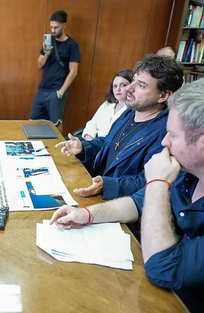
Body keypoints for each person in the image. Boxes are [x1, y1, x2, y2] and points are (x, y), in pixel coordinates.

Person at [50, 78, 204, 312]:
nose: (165, 142)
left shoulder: (175, 170)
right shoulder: (189, 171)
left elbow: (165, 268)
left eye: (172, 135)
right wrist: (87, 214)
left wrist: (157, 183)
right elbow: (137, 202)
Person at [55, 54, 183, 200]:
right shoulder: (130, 112)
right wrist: (83, 148)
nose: (129, 88)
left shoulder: (165, 134)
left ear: (164, 95)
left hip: (117, 204)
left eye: (141, 85)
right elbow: (109, 143)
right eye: (134, 80)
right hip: (95, 188)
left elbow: (149, 182)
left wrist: (108, 185)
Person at [30, 10, 81, 133]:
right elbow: (39, 65)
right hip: (42, 89)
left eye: (56, 27)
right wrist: (46, 54)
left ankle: (58, 150)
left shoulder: (72, 45)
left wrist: (61, 92)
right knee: (33, 122)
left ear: (64, 25)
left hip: (56, 91)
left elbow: (73, 71)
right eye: (51, 27)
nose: (53, 30)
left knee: (56, 124)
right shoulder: (49, 42)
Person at [82, 69, 133, 140]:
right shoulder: (107, 104)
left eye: (123, 85)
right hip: (92, 141)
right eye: (115, 86)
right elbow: (92, 123)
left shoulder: (133, 111)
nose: (118, 89)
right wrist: (89, 140)